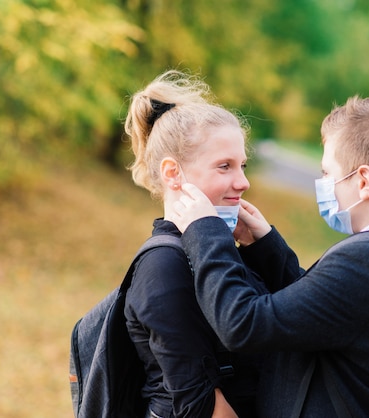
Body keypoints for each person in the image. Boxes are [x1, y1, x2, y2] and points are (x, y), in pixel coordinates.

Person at [169, 92, 369, 417]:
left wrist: (205, 230)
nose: (324, 183)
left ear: (364, 181)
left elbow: (242, 323)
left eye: (328, 173)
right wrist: (264, 244)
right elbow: (316, 313)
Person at [123, 69, 266, 418]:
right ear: (173, 173)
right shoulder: (163, 267)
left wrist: (266, 246)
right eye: (224, 167)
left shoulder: (222, 250)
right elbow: (204, 407)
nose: (243, 181)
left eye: (242, 165)